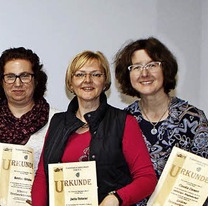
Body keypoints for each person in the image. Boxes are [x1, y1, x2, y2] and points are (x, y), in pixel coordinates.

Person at [31, 51, 157, 206]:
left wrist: (116, 198)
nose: (87, 80)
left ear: (105, 82)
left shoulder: (123, 122)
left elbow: (147, 178)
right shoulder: (57, 122)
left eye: (96, 74)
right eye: (80, 74)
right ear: (70, 83)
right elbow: (43, 176)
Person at [114, 37, 208, 205]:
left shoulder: (193, 120)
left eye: (152, 65)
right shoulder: (121, 122)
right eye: (136, 67)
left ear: (165, 68)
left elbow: (207, 187)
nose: (144, 73)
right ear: (128, 75)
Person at [0, 47, 58, 205]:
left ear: (36, 79)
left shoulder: (57, 121)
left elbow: (62, 175)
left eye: (25, 76)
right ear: (1, 81)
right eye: (10, 76)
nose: (17, 83)